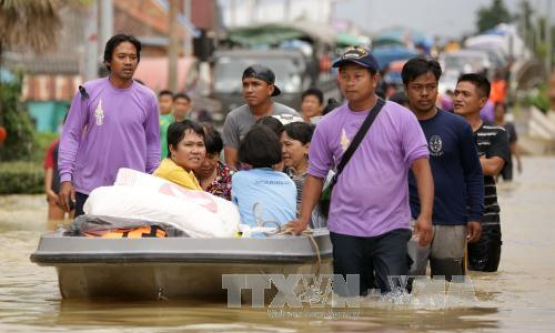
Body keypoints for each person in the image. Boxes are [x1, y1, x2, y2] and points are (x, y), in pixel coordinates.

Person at [287, 46, 434, 295]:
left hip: (391, 227)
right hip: (345, 228)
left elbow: (421, 169)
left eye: (358, 76)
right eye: (345, 76)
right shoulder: (328, 125)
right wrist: (303, 219)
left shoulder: (401, 118)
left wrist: (426, 215)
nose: (350, 82)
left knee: (396, 300)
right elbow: (315, 175)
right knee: (348, 301)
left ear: (374, 79)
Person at [59, 34, 160, 217]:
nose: (128, 62)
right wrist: (66, 178)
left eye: (133, 57)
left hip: (132, 192)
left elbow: (152, 143)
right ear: (108, 60)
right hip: (89, 190)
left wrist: (153, 179)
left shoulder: (148, 98)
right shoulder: (88, 91)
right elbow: (70, 135)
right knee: (87, 244)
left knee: (128, 245)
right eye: (121, 57)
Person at [401, 58, 484, 281]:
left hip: (452, 222)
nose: (425, 93)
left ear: (438, 87)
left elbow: (473, 173)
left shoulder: (458, 127)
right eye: (417, 87)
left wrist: (475, 214)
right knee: (404, 290)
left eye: (430, 86)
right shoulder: (396, 127)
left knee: (452, 293)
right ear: (406, 89)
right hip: (408, 222)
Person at [454, 73, 509, 272]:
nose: (458, 98)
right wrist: (479, 162)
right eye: (456, 93)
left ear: (482, 101)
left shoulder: (497, 133)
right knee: (448, 287)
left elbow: (493, 167)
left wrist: (452, 160)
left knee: (483, 288)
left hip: (486, 223)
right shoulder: (444, 130)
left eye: (465, 94)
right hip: (448, 220)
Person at [222, 65, 300, 170]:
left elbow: (300, 159)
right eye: (245, 85)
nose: (249, 90)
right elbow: (231, 164)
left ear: (270, 89)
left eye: (255, 84)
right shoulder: (234, 118)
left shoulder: (290, 116)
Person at [232, 125, 296, 234]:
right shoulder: (288, 180)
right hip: (287, 240)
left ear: (245, 150)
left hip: (254, 244)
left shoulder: (239, 178)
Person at [154, 120, 205, 190]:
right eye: (188, 145)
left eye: (200, 145)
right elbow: (202, 200)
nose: (196, 151)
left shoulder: (186, 169)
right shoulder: (173, 171)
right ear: (172, 149)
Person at [281, 122, 315, 214]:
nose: (283, 150)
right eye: (281, 145)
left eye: (288, 144)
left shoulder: (324, 179)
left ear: (307, 148)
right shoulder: (281, 175)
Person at [194, 125, 234, 200]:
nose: (206, 164)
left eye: (211, 157)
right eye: (200, 158)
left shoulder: (232, 179)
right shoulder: (181, 176)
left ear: (218, 154)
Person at [44, 136, 74, 225]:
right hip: (75, 194)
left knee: (52, 231)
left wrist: (48, 190)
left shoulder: (56, 144)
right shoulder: (86, 144)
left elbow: (49, 167)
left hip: (57, 193)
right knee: (75, 234)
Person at [494, 102, 522, 182]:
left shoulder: (510, 127)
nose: (498, 113)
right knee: (493, 185)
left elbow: (513, 145)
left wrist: (518, 161)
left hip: (507, 162)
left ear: (504, 112)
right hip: (493, 161)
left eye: (500, 111)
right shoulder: (489, 125)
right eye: (496, 111)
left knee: (508, 186)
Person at [159, 89, 174, 160]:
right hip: (156, 159)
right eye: (160, 101)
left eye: (166, 101)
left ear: (173, 103)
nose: (162, 104)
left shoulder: (176, 120)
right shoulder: (154, 118)